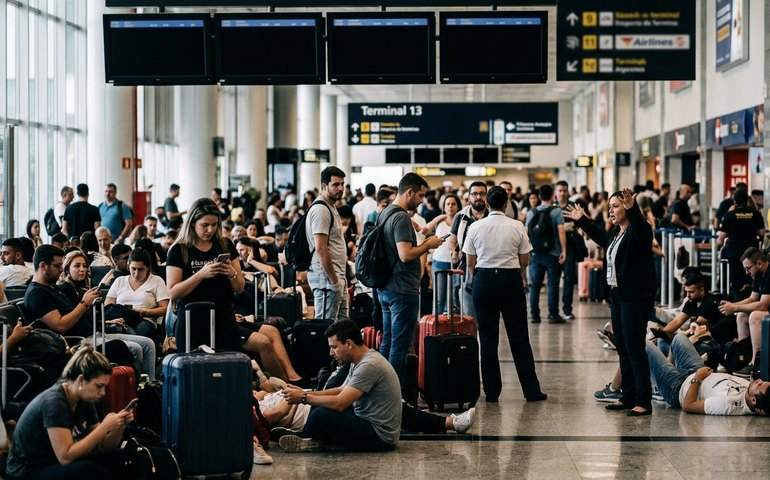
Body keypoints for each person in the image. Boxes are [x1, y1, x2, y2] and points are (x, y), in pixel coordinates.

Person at [565, 188, 656, 416]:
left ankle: (643, 401)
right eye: (610, 207)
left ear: (626, 208)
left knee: (635, 348)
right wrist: (583, 220)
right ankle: (627, 395)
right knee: (623, 347)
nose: (611, 211)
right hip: (618, 295)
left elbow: (645, 237)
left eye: (615, 206)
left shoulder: (639, 231)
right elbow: (601, 237)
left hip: (635, 298)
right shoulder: (617, 233)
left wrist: (632, 208)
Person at [463, 186, 546, 403]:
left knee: (488, 339)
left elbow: (470, 262)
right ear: (506, 204)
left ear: (488, 205)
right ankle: (531, 391)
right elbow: (525, 259)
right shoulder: (517, 226)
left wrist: (482, 275)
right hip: (510, 281)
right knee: (519, 337)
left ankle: (492, 393)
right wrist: (512, 273)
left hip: (483, 281)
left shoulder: (475, 227)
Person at [5, 346, 135, 480]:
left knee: (122, 457)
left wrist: (120, 426)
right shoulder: (54, 402)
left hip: (54, 465)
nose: (103, 393)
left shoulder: (84, 398)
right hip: (27, 472)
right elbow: (65, 457)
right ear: (81, 380)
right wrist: (105, 427)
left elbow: (102, 447)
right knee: (89, 469)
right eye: (99, 386)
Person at [278, 320, 402, 452]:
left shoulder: (369, 365)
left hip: (380, 437)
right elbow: (340, 390)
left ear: (349, 344)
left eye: (334, 347)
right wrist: (308, 393)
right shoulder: (360, 360)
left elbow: (340, 403)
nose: (331, 353)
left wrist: (303, 397)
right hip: (367, 423)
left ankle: (308, 439)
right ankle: (312, 439)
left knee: (319, 415)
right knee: (319, 405)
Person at [377, 173, 444, 392]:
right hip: (402, 290)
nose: (422, 200)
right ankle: (393, 396)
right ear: (409, 192)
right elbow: (405, 254)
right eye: (421, 195)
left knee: (387, 341)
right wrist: (429, 244)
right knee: (400, 346)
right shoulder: (402, 218)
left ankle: (381, 389)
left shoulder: (385, 213)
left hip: (386, 286)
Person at [55, 249, 157, 380]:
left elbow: (89, 320)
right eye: (77, 266)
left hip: (97, 332)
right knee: (135, 348)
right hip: (83, 339)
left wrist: (108, 322)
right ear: (67, 269)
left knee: (148, 343)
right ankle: (135, 386)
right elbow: (72, 323)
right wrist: (85, 303)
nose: (82, 269)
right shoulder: (64, 291)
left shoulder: (80, 290)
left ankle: (151, 385)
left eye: (85, 266)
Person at [646, 333, 770, 415]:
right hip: (697, 371)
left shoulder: (727, 404)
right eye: (762, 382)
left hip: (678, 388)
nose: (758, 381)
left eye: (759, 386)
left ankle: (662, 386)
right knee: (679, 338)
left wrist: (698, 378)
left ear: (753, 400)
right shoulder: (751, 392)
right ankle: (660, 383)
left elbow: (688, 406)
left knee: (644, 344)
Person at [717, 247, 770, 378]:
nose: (746, 272)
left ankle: (755, 364)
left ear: (759, 263)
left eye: (748, 268)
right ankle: (743, 357)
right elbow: (752, 298)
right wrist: (733, 305)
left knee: (755, 316)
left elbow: (763, 305)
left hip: (765, 311)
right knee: (741, 316)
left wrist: (734, 308)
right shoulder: (758, 274)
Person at [306, 166, 349, 322]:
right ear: (324, 186)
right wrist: (334, 281)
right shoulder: (321, 210)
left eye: (342, 184)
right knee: (325, 327)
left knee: (342, 328)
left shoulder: (331, 206)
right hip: (327, 280)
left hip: (336, 277)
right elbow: (321, 248)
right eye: (336, 184)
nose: (340, 188)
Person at [525, 184, 567, 324]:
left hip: (536, 254)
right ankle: (553, 314)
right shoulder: (556, 211)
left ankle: (535, 315)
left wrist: (528, 252)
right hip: (553, 254)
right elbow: (561, 231)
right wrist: (564, 251)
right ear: (552, 196)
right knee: (552, 285)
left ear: (539, 197)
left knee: (535, 285)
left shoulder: (531, 212)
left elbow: (526, 234)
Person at [105, 247, 169, 339]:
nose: (136, 273)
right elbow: (108, 306)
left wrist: (145, 312)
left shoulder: (157, 281)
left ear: (147, 268)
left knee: (138, 331)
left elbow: (164, 308)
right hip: (120, 320)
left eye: (140, 269)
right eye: (133, 269)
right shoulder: (119, 281)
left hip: (145, 320)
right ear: (128, 265)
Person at [448, 181, 489, 322]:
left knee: (487, 312)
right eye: (475, 194)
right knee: (469, 313)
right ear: (469, 197)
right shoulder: (461, 217)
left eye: (482, 194)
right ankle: (471, 340)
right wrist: (455, 250)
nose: (478, 197)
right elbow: (452, 240)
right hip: (466, 268)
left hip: (488, 266)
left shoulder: (492, 216)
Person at [717, 188, 765, 297]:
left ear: (735, 201)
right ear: (747, 200)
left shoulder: (729, 215)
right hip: (752, 253)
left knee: (736, 284)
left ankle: (737, 305)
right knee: (753, 280)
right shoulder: (756, 214)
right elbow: (762, 233)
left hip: (735, 253)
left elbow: (720, 239)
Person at [426, 193, 461, 315]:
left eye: (453, 204)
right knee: (439, 298)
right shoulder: (440, 221)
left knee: (453, 299)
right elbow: (424, 230)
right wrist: (437, 218)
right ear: (444, 206)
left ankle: (451, 328)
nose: (450, 206)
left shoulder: (462, 221)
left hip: (455, 264)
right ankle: (437, 328)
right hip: (439, 262)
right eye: (448, 204)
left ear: (458, 206)